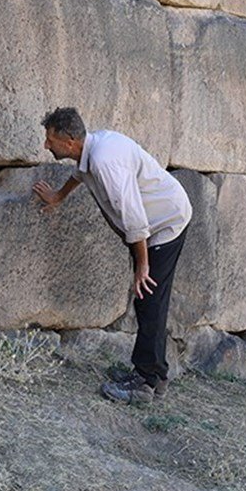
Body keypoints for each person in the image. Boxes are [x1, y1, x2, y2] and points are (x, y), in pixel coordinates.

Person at [33, 107, 191, 404]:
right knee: (150, 302)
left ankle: (144, 383)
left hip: (164, 223)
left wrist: (142, 266)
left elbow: (134, 217)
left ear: (69, 142)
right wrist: (58, 196)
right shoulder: (92, 149)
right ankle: (156, 376)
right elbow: (80, 174)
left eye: (50, 139)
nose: (46, 145)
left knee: (149, 300)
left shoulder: (105, 161)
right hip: (157, 221)